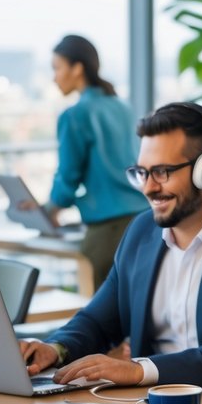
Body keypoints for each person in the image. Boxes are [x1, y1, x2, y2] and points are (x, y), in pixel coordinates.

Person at [19, 102, 202, 389]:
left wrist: (139, 371)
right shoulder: (141, 232)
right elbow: (98, 320)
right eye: (142, 172)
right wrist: (55, 349)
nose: (148, 187)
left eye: (162, 172)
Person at [41, 35, 149, 290]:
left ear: (77, 68)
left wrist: (49, 210)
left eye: (57, 68)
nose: (54, 77)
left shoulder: (74, 116)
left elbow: (68, 176)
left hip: (107, 230)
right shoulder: (123, 107)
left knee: (100, 318)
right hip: (143, 221)